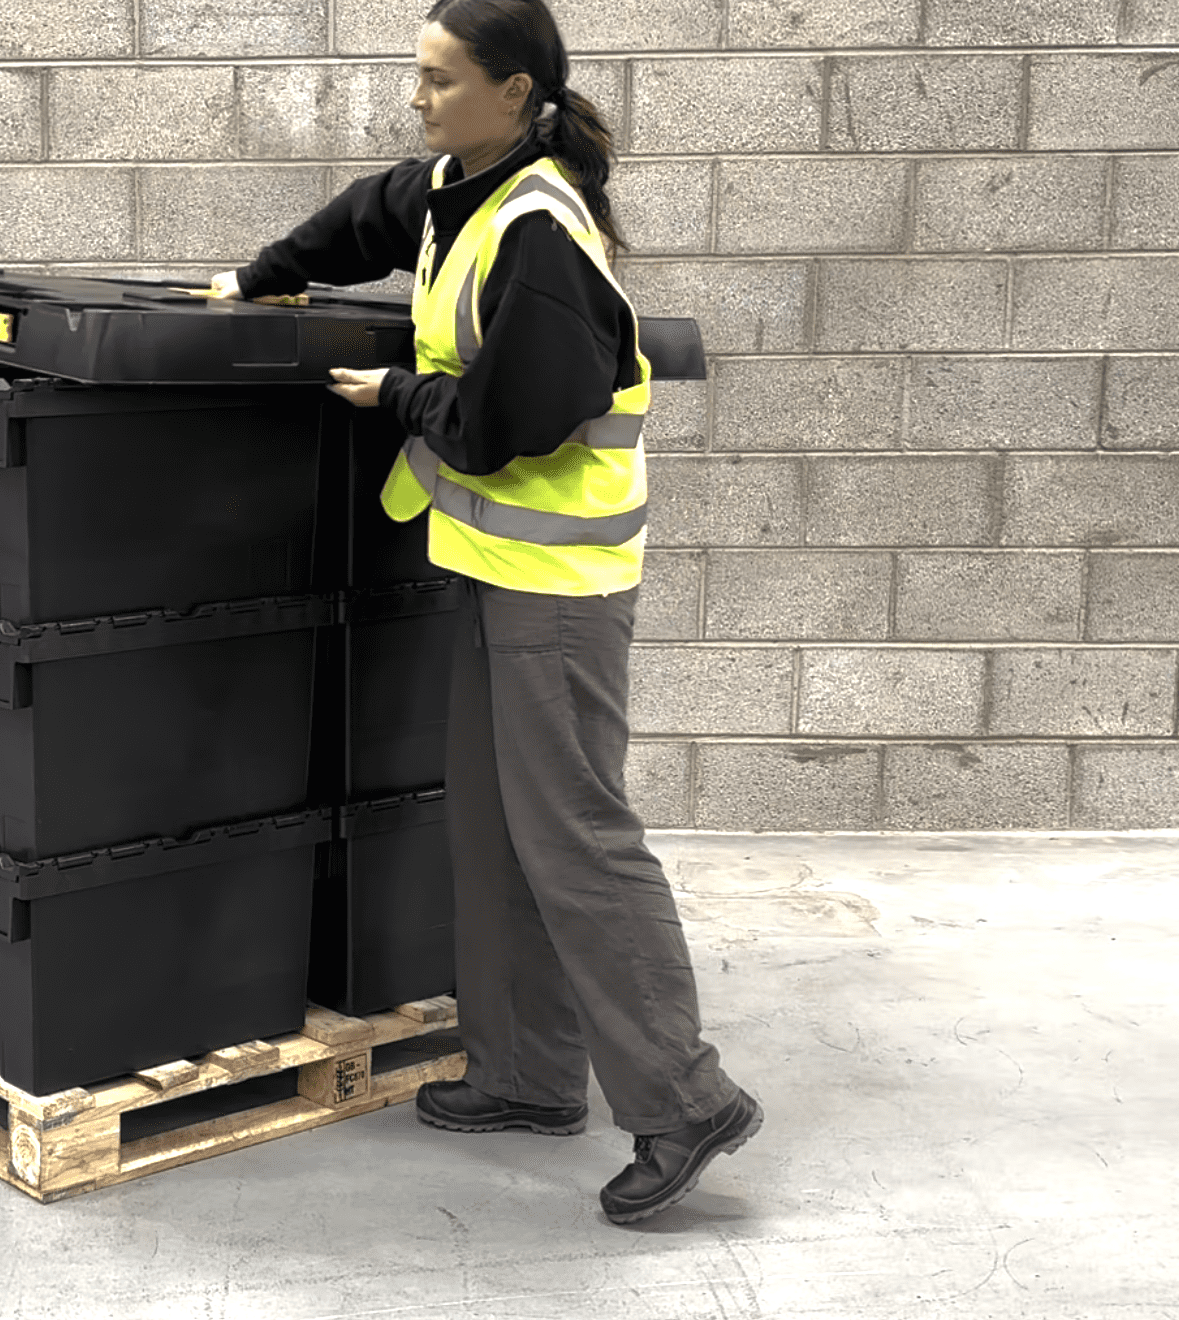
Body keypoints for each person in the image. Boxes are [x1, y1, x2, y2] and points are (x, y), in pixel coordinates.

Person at [209, 0, 759, 1226]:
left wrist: (401, 393)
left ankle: (683, 1097)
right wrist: (257, 277)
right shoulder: (458, 188)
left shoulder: (541, 234)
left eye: (441, 80)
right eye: (415, 76)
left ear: (513, 92)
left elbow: (513, 426)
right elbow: (368, 210)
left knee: (576, 843)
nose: (419, 98)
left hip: (557, 595)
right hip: (490, 573)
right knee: (492, 832)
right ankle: (523, 1075)